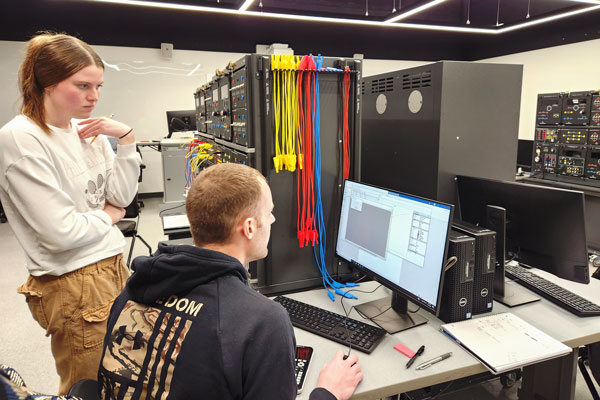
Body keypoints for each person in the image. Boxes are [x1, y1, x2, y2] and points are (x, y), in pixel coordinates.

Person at [97, 163, 362, 400]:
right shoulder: (263, 322)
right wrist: (328, 392)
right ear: (249, 227)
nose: (272, 219)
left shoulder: (133, 288)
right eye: (269, 212)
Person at [0, 32, 141, 394]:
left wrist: (126, 141)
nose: (94, 97)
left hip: (110, 265)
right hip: (72, 281)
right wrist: (109, 217)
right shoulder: (21, 139)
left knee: (121, 373)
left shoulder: (86, 130)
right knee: (89, 385)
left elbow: (122, 196)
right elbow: (60, 233)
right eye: (82, 85)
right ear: (46, 83)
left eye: (98, 86)